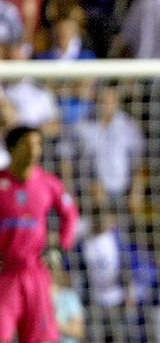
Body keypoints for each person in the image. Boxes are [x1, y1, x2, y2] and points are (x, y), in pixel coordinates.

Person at [0, 126, 80, 343]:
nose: (35, 150)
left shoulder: (49, 183)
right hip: (5, 275)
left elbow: (70, 215)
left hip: (36, 274)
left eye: (38, 144)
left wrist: (61, 245)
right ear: (13, 149)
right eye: (28, 144)